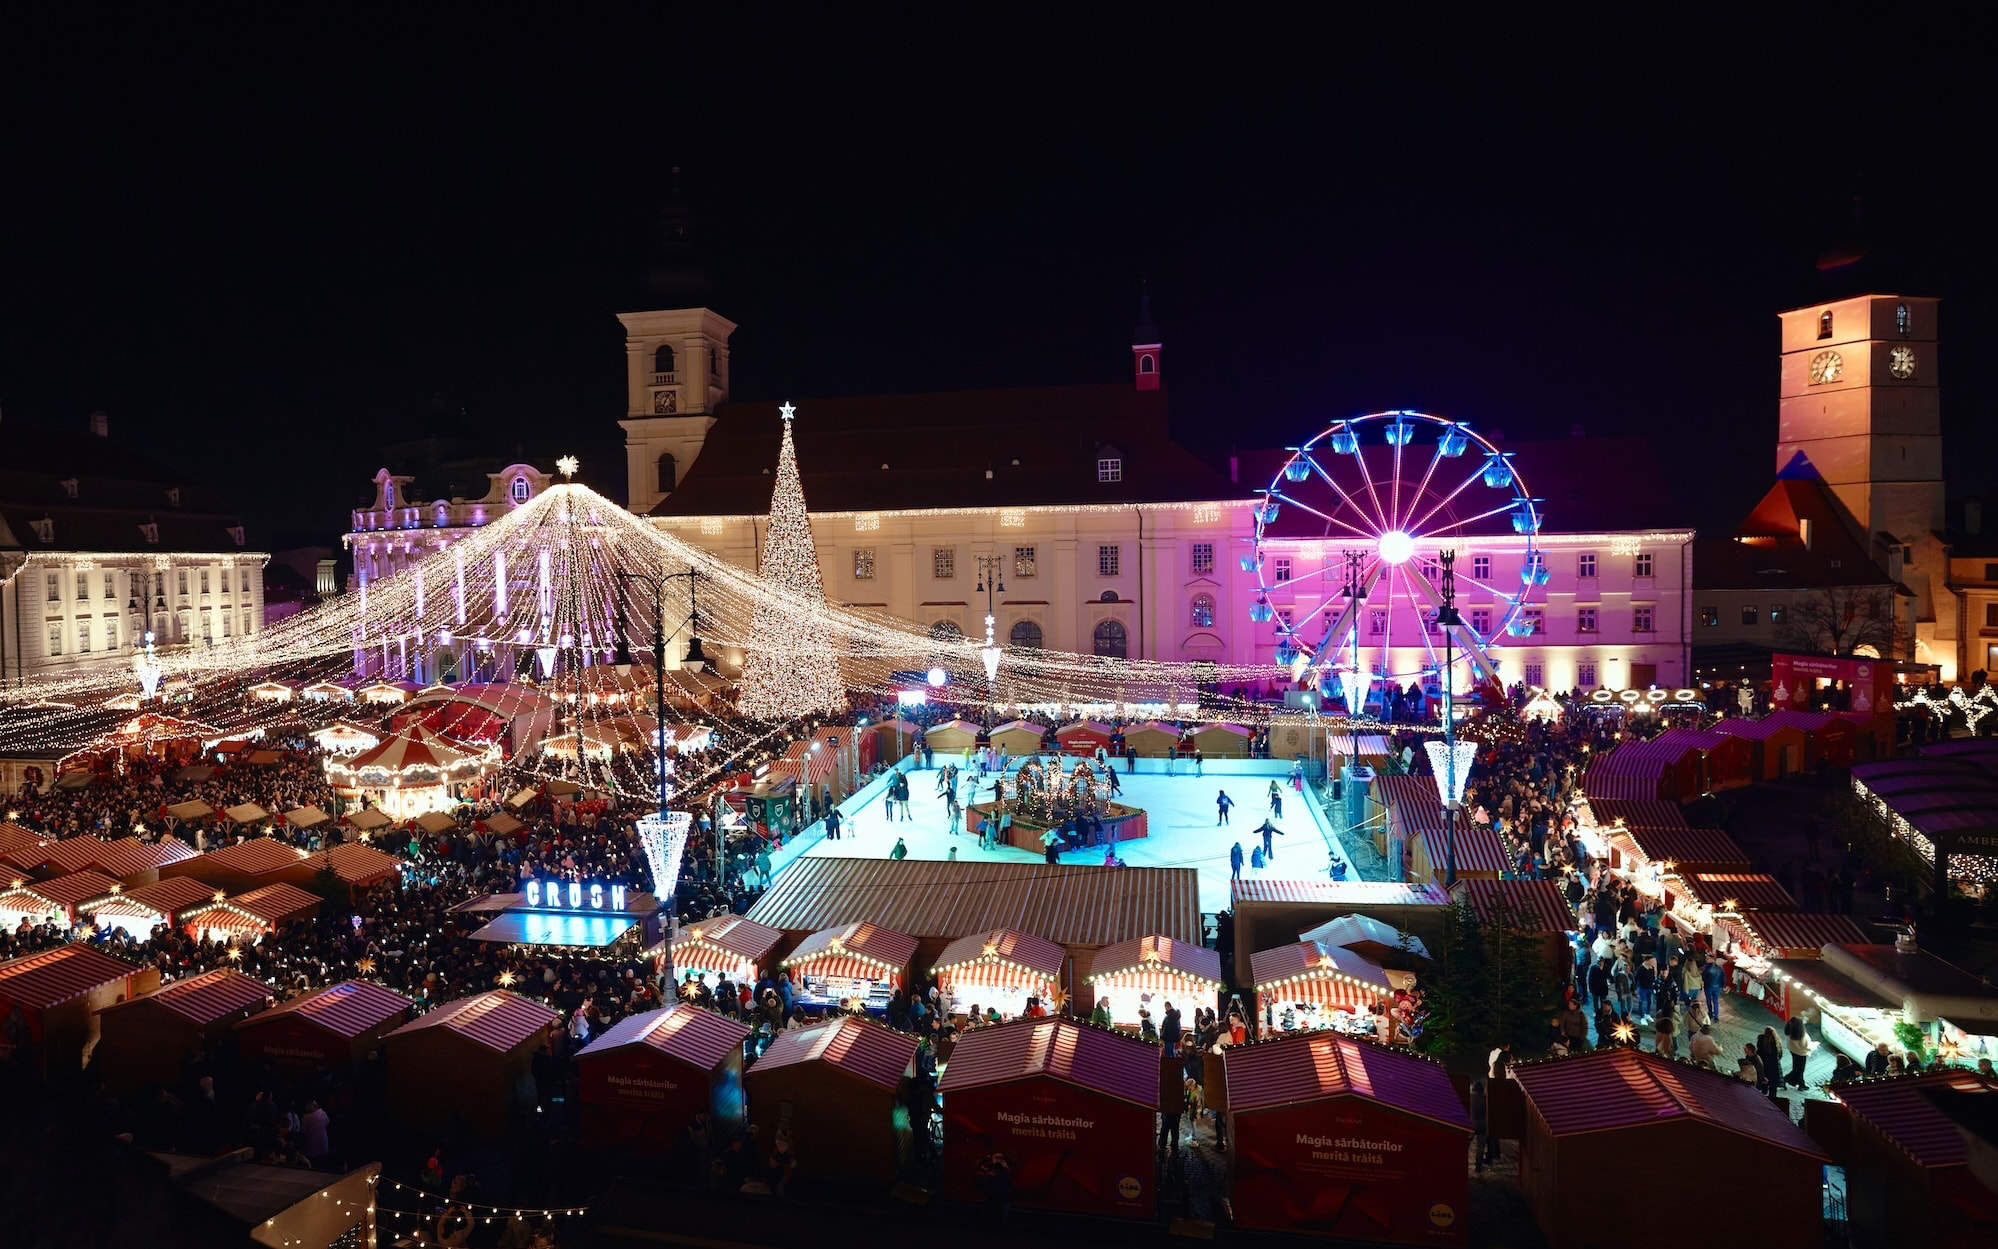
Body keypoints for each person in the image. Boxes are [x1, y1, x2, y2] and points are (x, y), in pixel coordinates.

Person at [1469, 1078, 1497, 1171]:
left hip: (1471, 1124)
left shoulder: (1470, 1098)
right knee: (1480, 1147)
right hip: (1483, 1125)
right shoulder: (1485, 1098)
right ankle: (1478, 1165)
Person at [1783, 1013, 1811, 1089]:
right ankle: (1784, 1079)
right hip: (1801, 1053)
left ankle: (1801, 1084)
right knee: (1799, 1070)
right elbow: (1806, 1046)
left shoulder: (1790, 1031)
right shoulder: (1802, 1035)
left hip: (1793, 1051)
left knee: (1797, 1068)